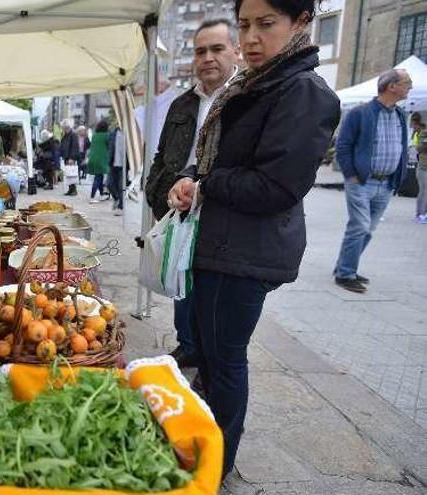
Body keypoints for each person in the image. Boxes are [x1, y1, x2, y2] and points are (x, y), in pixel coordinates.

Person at [167, 0, 340, 478]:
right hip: (216, 242)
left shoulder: (304, 93)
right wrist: (188, 178)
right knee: (202, 347)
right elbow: (211, 158)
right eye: (244, 25)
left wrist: (206, 184)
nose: (251, 38)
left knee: (225, 360)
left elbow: (277, 187)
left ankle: (216, 463)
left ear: (301, 21)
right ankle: (199, 439)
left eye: (267, 25)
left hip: (244, 253)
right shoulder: (251, 85)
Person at [145, 18, 240, 369]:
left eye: (217, 48)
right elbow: (161, 153)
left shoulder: (243, 100)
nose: (208, 58)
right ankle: (187, 345)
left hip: (218, 208)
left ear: (236, 51)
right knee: (178, 279)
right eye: (201, 51)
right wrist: (155, 194)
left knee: (211, 290)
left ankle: (210, 356)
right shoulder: (183, 103)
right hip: (177, 205)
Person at [332, 69, 412, 292]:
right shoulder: (361, 113)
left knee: (367, 229)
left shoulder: (400, 114)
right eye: (407, 82)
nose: (410, 86)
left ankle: (344, 266)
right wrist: (351, 175)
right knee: (360, 226)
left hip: (386, 183)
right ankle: (345, 275)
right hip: (362, 182)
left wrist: (399, 177)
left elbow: (402, 148)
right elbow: (343, 145)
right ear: (391, 87)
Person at [87, 120, 110, 203]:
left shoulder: (94, 136)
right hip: (101, 159)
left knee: (99, 177)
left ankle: (101, 195)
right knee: (98, 178)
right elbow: (109, 146)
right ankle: (92, 197)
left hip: (93, 158)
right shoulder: (106, 136)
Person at [107, 123, 127, 215]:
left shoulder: (128, 134)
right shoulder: (113, 133)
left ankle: (121, 207)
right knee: (109, 184)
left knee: (121, 186)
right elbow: (109, 147)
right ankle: (116, 198)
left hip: (124, 165)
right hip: (113, 163)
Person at [410, 113, 427, 223]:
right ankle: (420, 214)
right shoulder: (424, 133)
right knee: (424, 191)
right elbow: (420, 147)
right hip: (423, 166)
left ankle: (422, 214)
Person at [58, 120, 80, 195]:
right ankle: (70, 189)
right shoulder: (65, 135)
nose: (63, 129)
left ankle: (74, 190)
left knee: (72, 174)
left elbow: (74, 147)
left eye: (64, 128)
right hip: (66, 157)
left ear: (67, 127)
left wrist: (72, 158)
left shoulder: (73, 135)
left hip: (71, 158)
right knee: (68, 174)